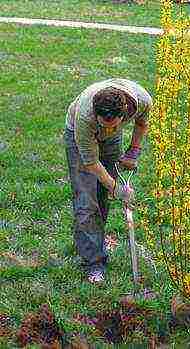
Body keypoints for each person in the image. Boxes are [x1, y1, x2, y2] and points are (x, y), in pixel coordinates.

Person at [64, 78, 152, 283]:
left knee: (103, 197)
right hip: (79, 138)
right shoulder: (85, 118)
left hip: (111, 141)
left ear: (124, 114)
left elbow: (142, 123)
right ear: (97, 115)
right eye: (105, 124)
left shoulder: (142, 101)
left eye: (114, 125)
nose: (109, 128)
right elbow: (92, 163)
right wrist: (119, 190)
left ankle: (96, 242)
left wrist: (133, 151)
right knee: (87, 200)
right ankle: (93, 263)